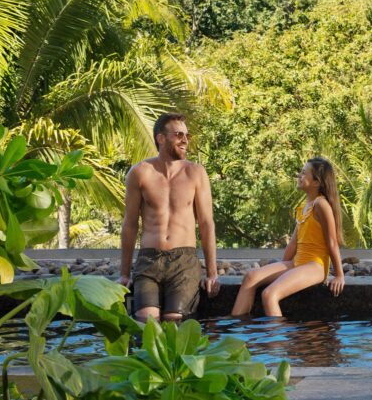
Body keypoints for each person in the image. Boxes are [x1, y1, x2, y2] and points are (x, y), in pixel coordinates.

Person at [120, 112, 220, 322]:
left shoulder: (195, 172)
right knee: (146, 324)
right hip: (148, 260)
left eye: (187, 135)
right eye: (178, 134)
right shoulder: (140, 172)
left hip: (184, 261)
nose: (185, 140)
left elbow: (206, 223)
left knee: (175, 322)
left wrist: (212, 273)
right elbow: (129, 224)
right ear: (161, 138)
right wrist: (124, 273)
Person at [231, 157, 345, 317]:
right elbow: (293, 244)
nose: (299, 176)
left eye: (304, 173)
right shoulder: (305, 206)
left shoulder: (321, 205)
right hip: (297, 262)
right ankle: (236, 332)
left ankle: (278, 342)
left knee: (269, 294)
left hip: (315, 266)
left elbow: (332, 242)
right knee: (251, 277)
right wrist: (281, 270)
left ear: (316, 182)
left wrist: (339, 275)